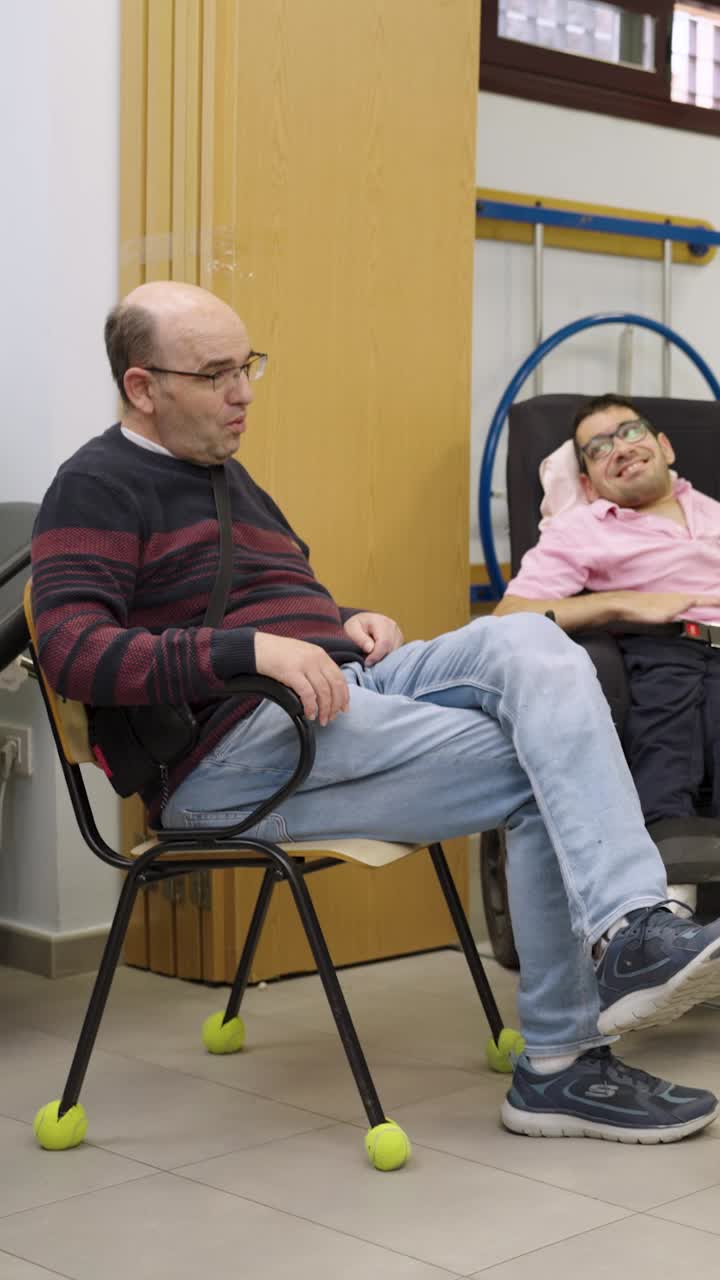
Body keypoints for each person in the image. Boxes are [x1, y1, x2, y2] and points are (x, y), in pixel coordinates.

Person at [31, 285, 720, 1144]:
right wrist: (250, 651)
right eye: (216, 375)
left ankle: (630, 930)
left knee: (536, 648)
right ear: (142, 386)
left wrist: (344, 623)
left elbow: (283, 608)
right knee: (555, 760)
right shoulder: (95, 484)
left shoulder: (231, 480)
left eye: (247, 366)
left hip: (341, 688)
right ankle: (561, 1063)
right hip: (231, 757)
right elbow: (70, 651)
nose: (243, 392)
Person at [495, 393, 720, 827]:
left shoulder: (711, 508)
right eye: (598, 449)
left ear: (665, 447)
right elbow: (509, 616)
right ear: (587, 484)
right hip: (669, 652)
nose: (620, 449)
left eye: (630, 432)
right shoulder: (582, 530)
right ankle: (668, 892)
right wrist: (624, 603)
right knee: (666, 783)